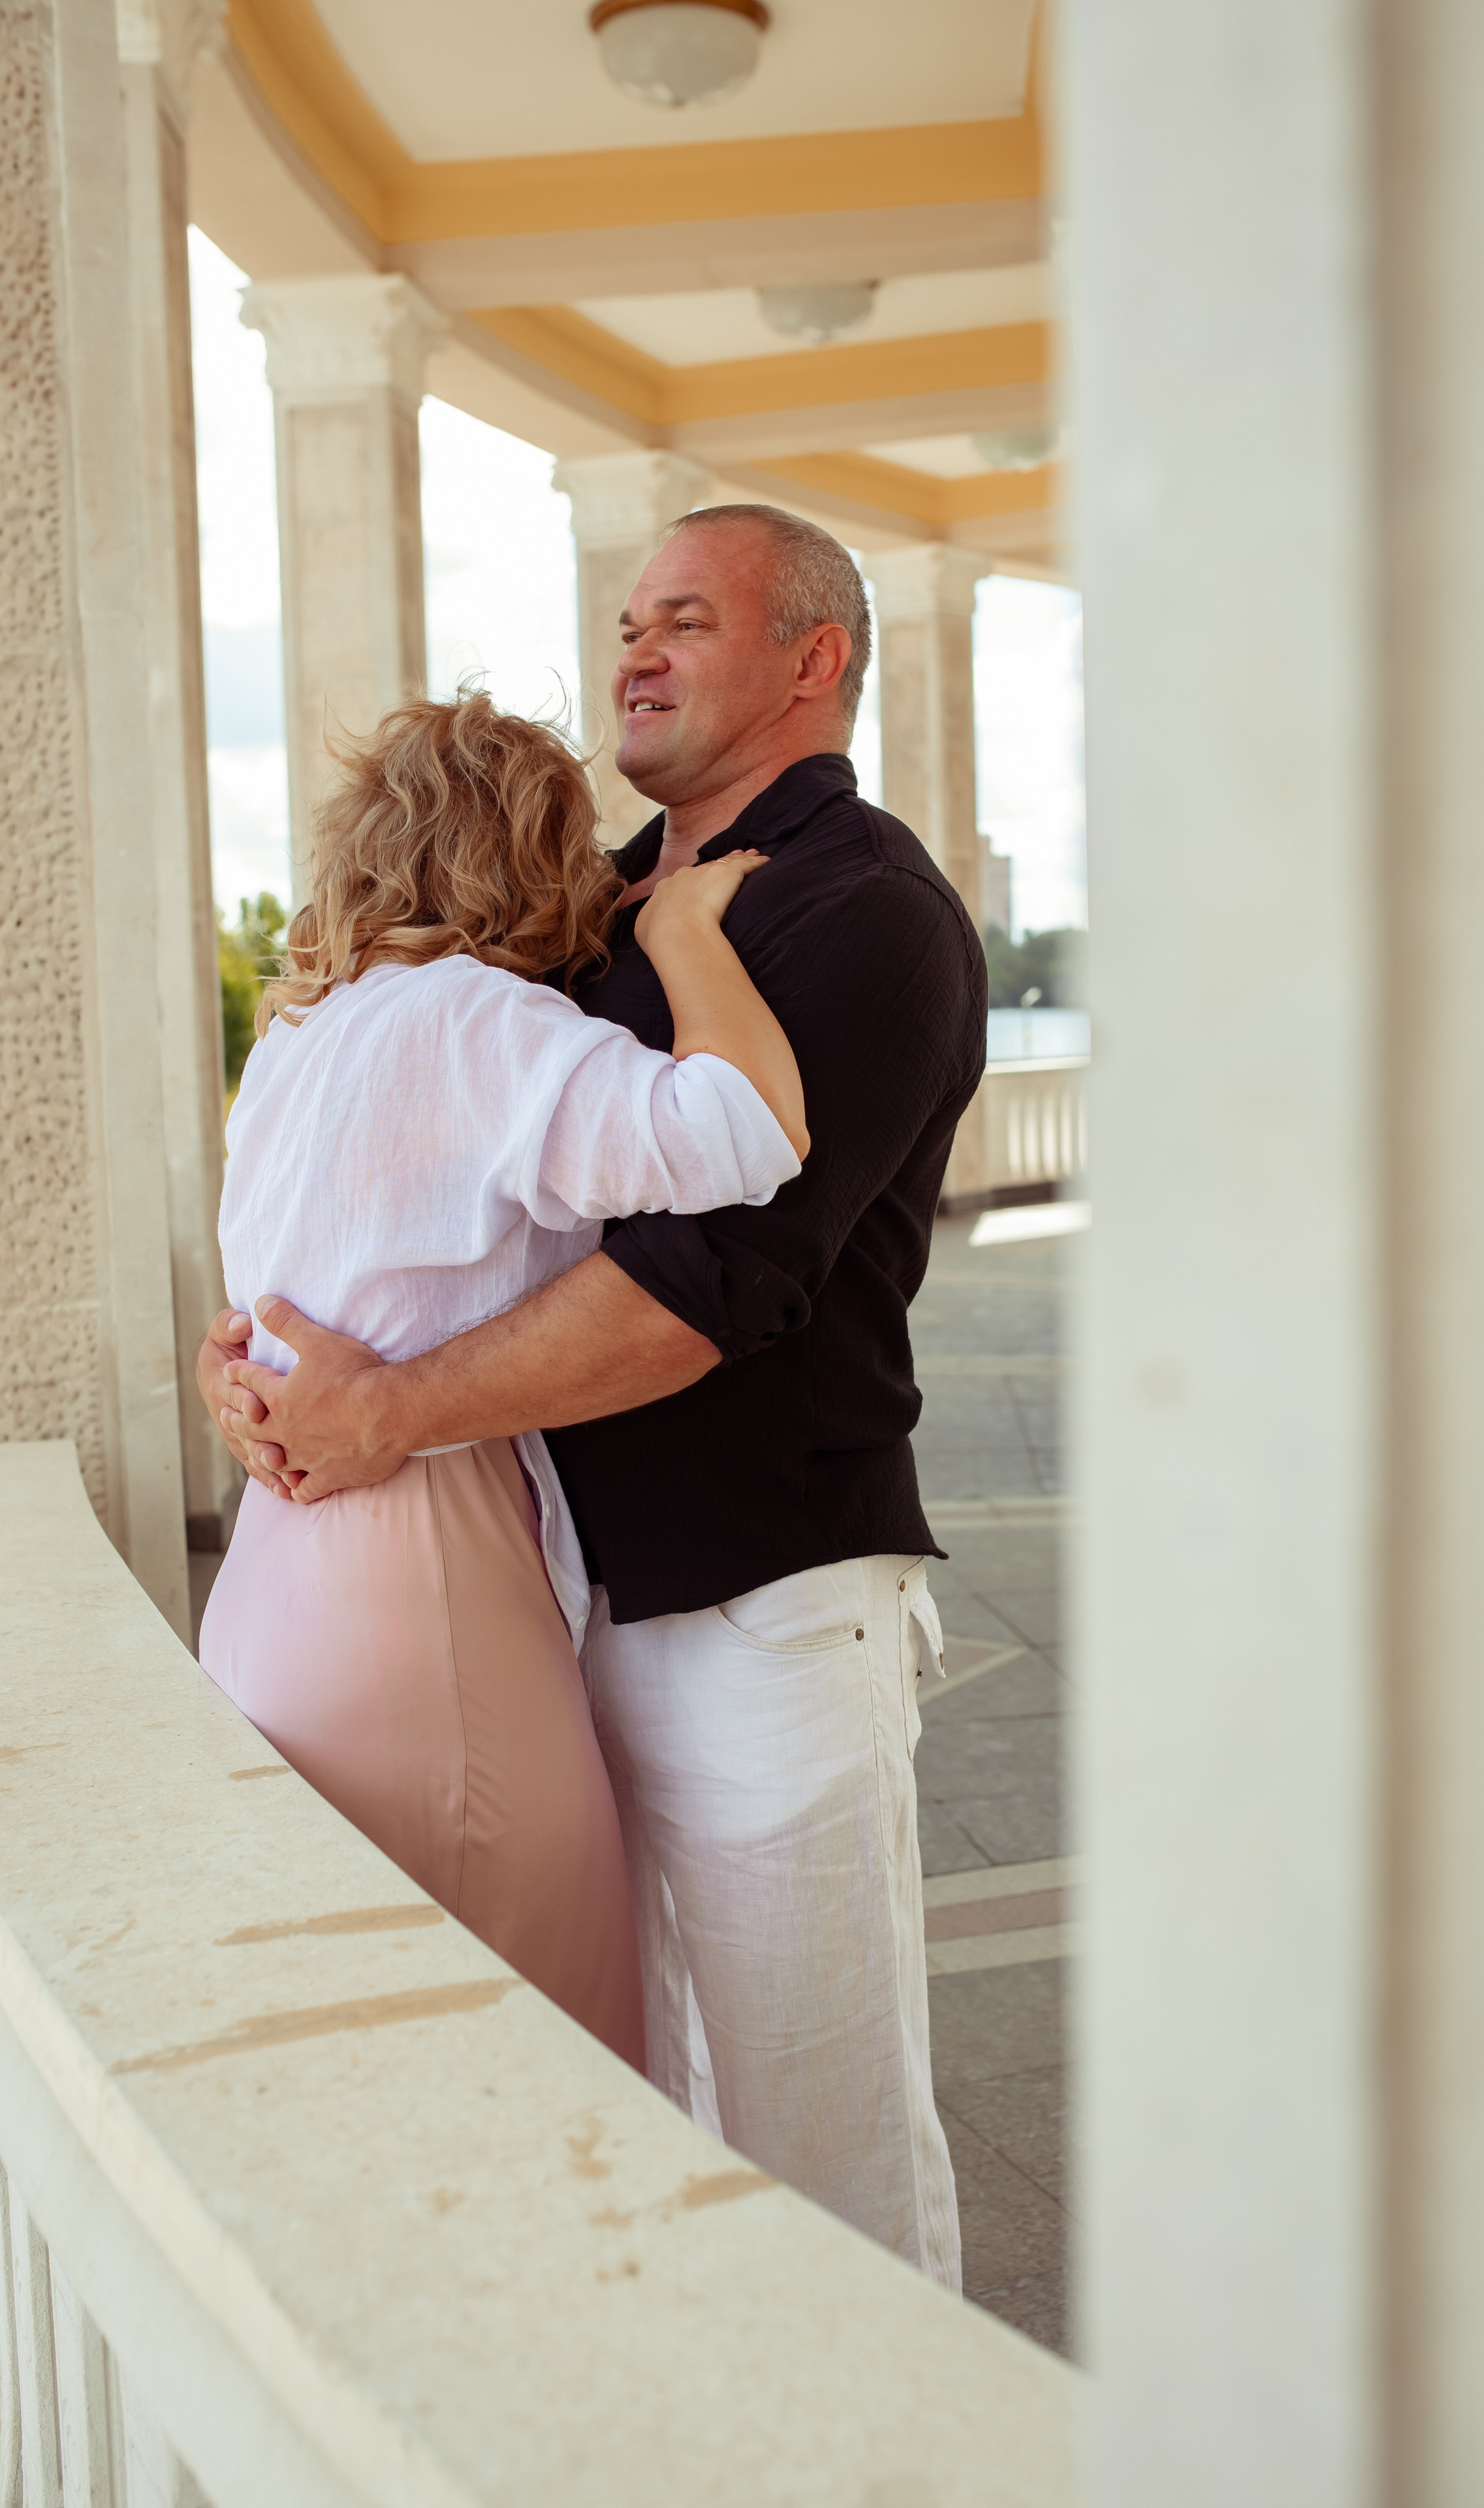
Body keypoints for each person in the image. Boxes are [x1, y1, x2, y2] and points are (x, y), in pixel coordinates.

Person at [202, 507, 986, 2290]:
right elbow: (413, 1206)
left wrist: (385, 1411)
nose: (633, 647)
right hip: (548, 1612)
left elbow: (710, 1287)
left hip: (762, 1606)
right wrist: (251, 1354)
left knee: (821, 2138)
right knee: (650, 2112)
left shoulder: (869, 914)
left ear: (814, 659)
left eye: (685, 619)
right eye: (629, 617)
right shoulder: (587, 914)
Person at [198, 691, 809, 2077]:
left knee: (360, 2061)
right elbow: (747, 1131)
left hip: (279, 1573)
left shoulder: (294, 1040)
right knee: (540, 2062)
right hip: (428, 1589)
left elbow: (266, 1304)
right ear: (524, 853)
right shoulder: (471, 1019)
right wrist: (681, 934)